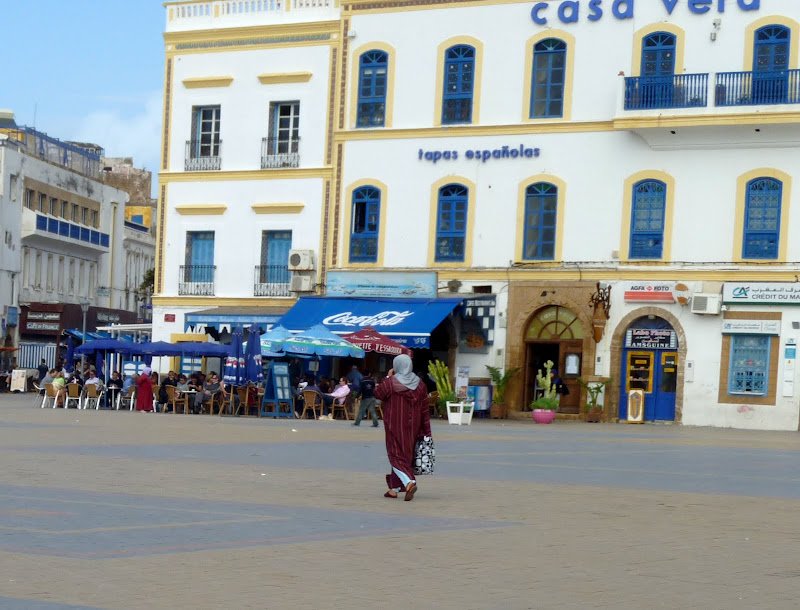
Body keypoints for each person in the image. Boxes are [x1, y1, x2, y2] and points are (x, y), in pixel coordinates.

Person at [374, 354, 431, 501]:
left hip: (394, 423)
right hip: (414, 425)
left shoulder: (391, 382)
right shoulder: (420, 384)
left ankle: (409, 482)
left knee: (395, 454)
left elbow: (378, 393)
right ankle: (393, 489)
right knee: (405, 454)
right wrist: (426, 430)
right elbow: (425, 409)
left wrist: (387, 377)